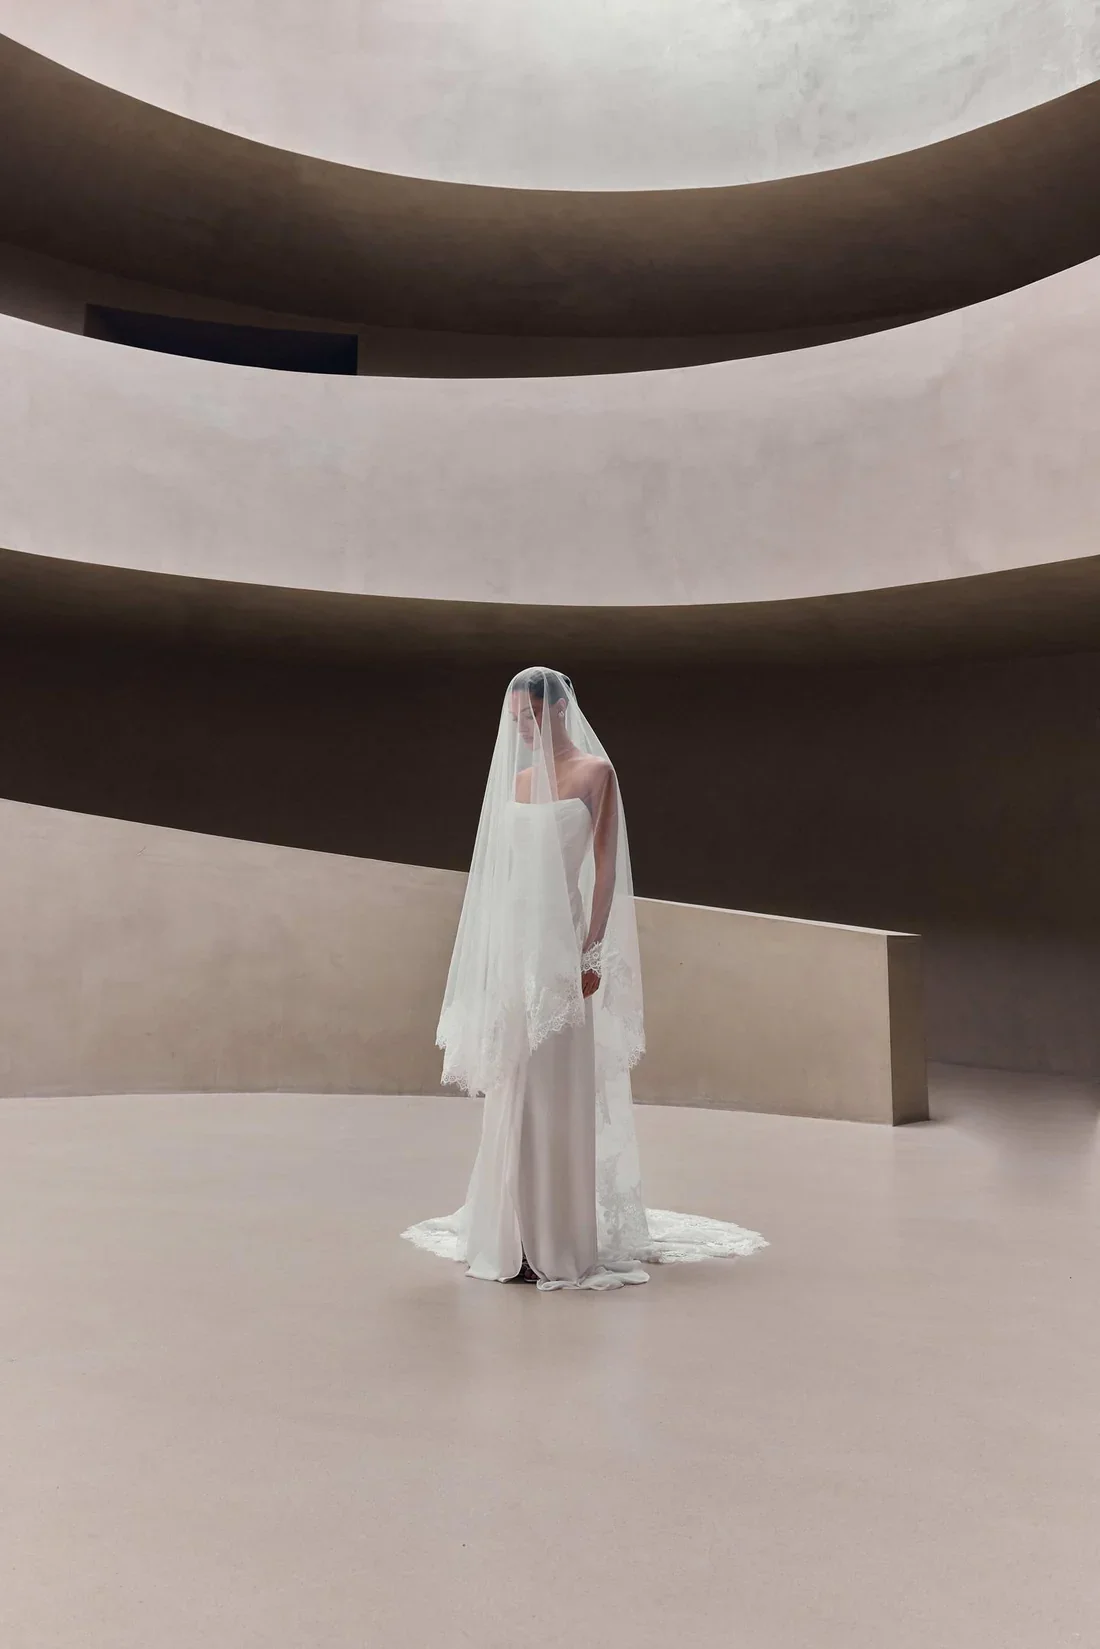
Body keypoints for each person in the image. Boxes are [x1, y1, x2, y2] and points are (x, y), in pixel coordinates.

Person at [403, 667, 765, 1290]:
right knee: (513, 1081)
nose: (521, 726)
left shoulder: (597, 774)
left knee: (557, 1082)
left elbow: (605, 868)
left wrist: (591, 949)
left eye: (530, 715)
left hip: (562, 945)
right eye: (515, 717)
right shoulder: (515, 783)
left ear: (557, 711)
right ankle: (510, 1232)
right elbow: (501, 880)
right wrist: (493, 959)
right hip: (515, 947)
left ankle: (560, 1234)